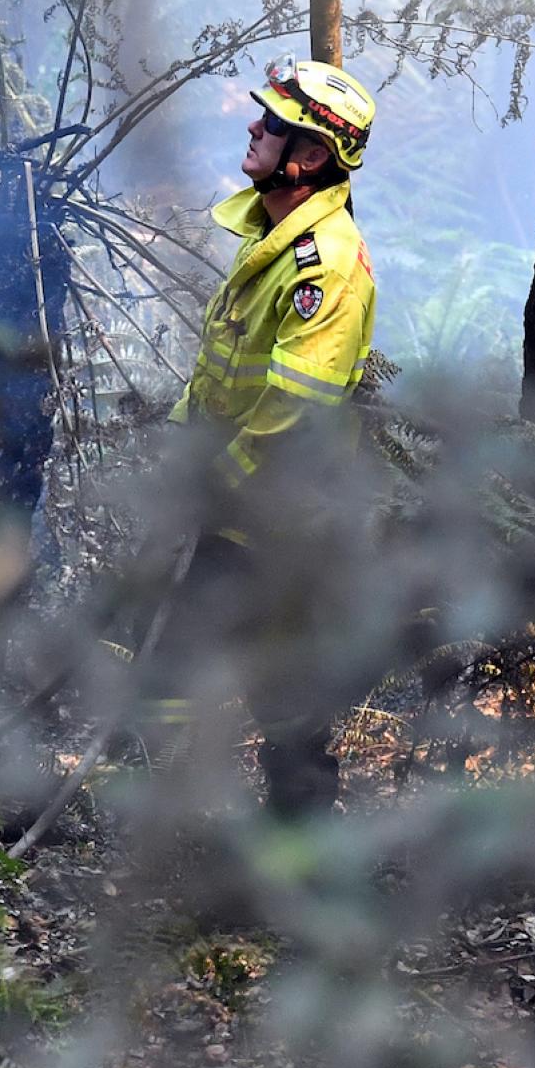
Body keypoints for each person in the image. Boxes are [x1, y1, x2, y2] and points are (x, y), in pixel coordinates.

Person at [162, 57, 381, 815]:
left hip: (273, 522)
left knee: (274, 700)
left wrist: (209, 480)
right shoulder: (275, 241)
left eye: (272, 122)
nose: (253, 126)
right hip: (235, 506)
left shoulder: (330, 269)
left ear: (311, 155)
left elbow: (294, 411)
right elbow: (220, 376)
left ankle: (303, 864)